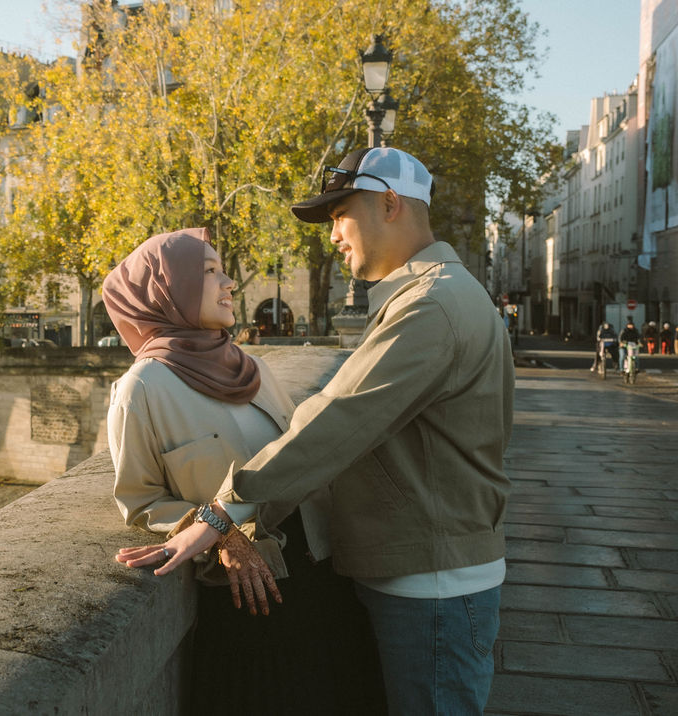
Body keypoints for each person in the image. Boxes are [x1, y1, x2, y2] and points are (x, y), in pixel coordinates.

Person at [117, 147, 514, 715]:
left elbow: (334, 421)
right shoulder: (443, 294)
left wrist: (220, 513)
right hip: (428, 568)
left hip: (431, 583)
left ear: (390, 204)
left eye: (339, 215)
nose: (332, 236)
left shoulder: (431, 307)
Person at [104, 228, 384, 714]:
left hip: (323, 576)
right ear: (166, 289)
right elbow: (142, 502)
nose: (229, 282)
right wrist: (225, 535)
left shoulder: (252, 367)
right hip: (252, 595)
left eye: (223, 269)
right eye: (209, 271)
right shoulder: (141, 390)